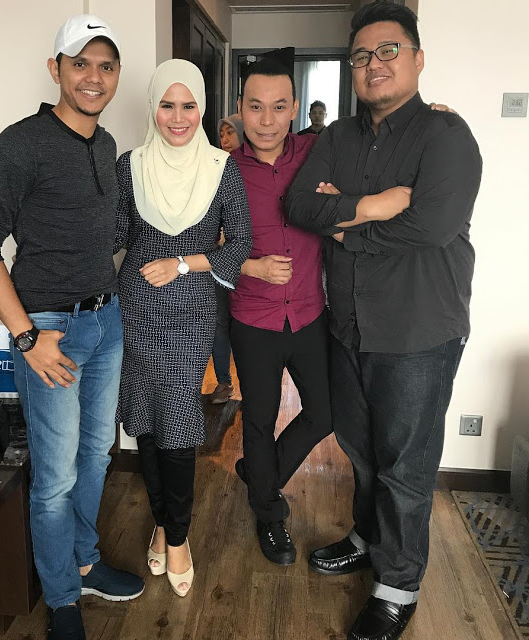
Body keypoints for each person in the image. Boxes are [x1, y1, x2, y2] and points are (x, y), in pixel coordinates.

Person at [286, 3, 482, 640]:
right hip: (349, 325)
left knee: (406, 465)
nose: (373, 64)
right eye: (361, 55)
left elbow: (432, 226)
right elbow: (299, 205)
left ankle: (397, 586)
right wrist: (374, 205)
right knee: (360, 452)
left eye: (388, 50)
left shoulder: (446, 135)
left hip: (417, 332)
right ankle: (367, 537)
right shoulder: (337, 137)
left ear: (418, 59)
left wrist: (344, 223)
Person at [0, 14, 144, 640]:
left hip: (106, 321)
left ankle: (85, 563)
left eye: (106, 66)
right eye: (80, 64)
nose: (94, 77)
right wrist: (26, 338)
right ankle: (63, 598)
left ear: (117, 75)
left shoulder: (105, 145)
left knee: (95, 456)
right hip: (48, 332)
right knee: (57, 475)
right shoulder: (21, 144)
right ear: (55, 70)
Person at [114, 59, 251, 597]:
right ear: (153, 108)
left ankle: (177, 537)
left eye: (188, 105)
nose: (177, 117)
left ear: (202, 108)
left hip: (190, 308)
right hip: (136, 306)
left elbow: (239, 241)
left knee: (175, 419)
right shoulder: (129, 165)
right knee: (145, 420)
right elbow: (115, 235)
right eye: (167, 106)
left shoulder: (221, 167)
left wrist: (184, 263)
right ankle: (162, 522)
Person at [229, 59, 334, 566]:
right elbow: (202, 246)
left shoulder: (318, 153)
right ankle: (268, 514)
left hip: (311, 313)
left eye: (277, 107)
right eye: (255, 107)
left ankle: (260, 475)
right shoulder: (222, 170)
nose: (266, 120)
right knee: (259, 420)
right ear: (240, 109)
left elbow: (376, 144)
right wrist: (250, 265)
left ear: (295, 108)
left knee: (325, 412)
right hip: (254, 318)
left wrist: (432, 119)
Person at [209, 114, 246, 404]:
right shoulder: (213, 167)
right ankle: (224, 382)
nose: (224, 139)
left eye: (230, 133)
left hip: (250, 261)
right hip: (219, 260)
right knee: (220, 323)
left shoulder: (253, 170)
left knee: (244, 327)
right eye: (222, 133)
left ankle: (252, 385)